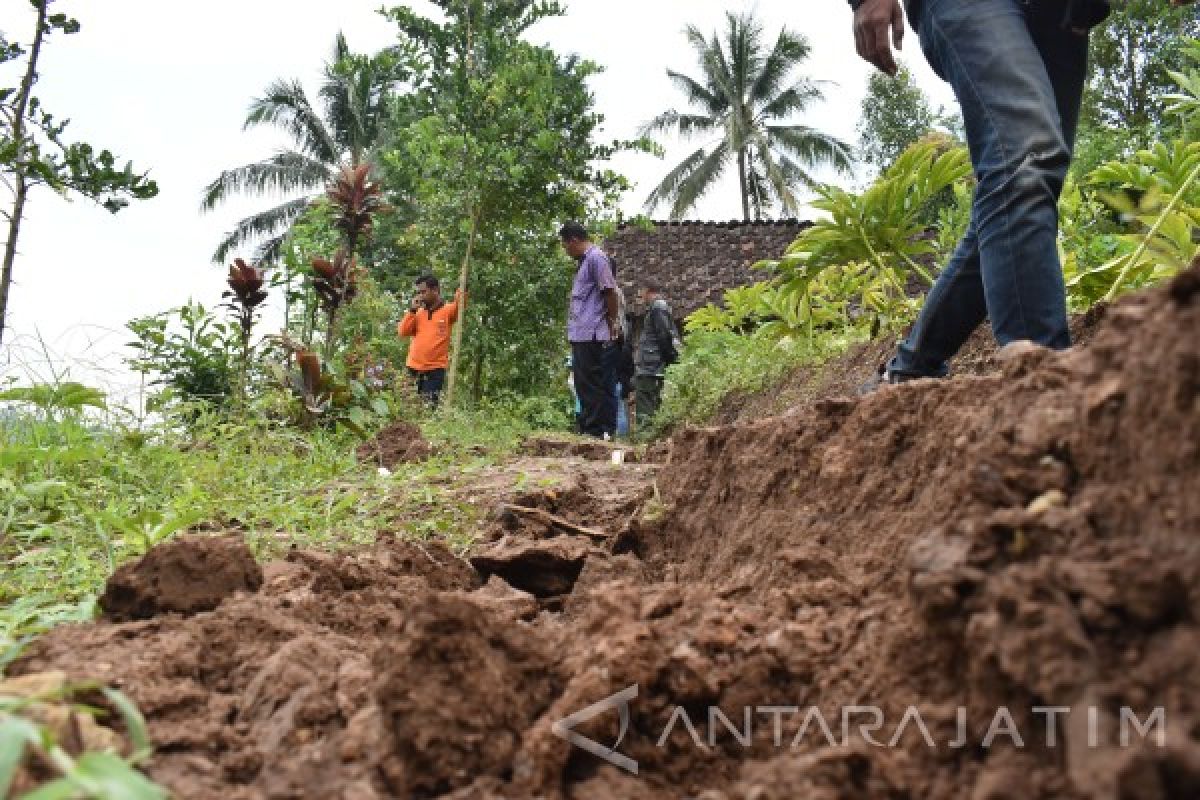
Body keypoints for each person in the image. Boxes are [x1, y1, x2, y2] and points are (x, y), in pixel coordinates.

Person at [850, 0, 1111, 389]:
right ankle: (1045, 388)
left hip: (1063, 12)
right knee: (1024, 159)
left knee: (1016, 197)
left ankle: (910, 369)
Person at [560, 221, 620, 439]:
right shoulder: (584, 262)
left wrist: (611, 323)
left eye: (566, 246)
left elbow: (610, 292)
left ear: (574, 241)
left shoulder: (596, 258)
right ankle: (587, 426)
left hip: (592, 331)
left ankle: (595, 431)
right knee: (582, 383)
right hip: (580, 332)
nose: (567, 252)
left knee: (591, 384)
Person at [397, 274, 463, 408]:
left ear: (435, 290)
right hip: (412, 368)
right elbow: (403, 332)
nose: (420, 296)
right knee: (406, 406)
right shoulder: (417, 312)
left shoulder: (448, 310)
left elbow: (460, 304)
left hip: (434, 370)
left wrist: (463, 286)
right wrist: (412, 311)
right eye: (419, 292)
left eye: (423, 292)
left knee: (428, 408)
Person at [634, 281, 681, 428]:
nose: (640, 296)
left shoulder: (658, 307)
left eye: (641, 292)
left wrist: (668, 359)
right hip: (651, 365)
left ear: (648, 291)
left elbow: (664, 335)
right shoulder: (656, 308)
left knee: (646, 406)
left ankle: (645, 438)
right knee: (650, 404)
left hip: (651, 366)